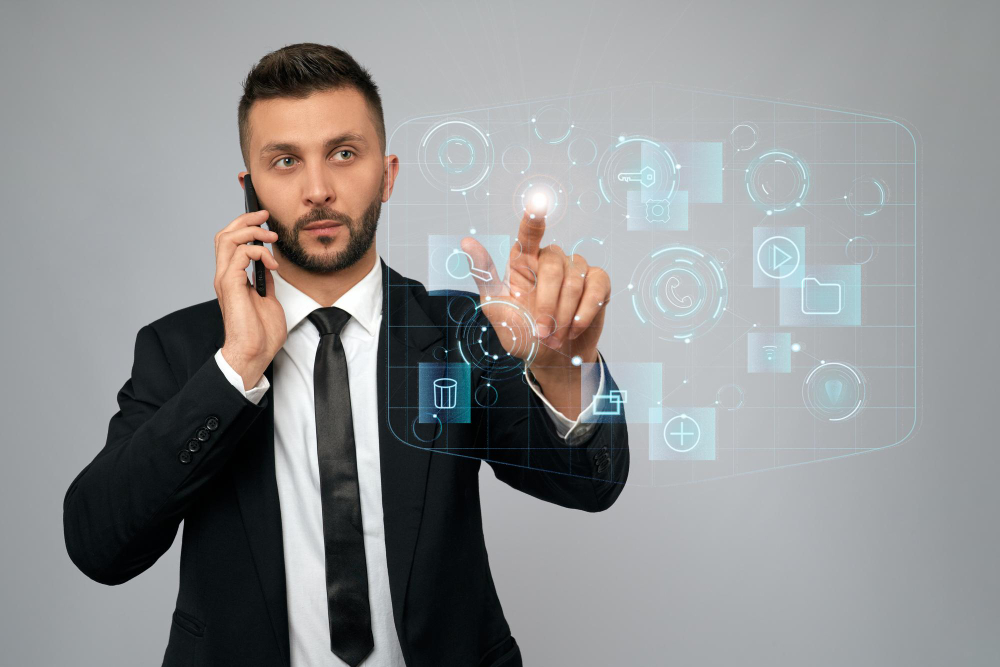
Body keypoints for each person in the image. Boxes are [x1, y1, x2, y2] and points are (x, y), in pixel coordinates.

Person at [63, 42, 629, 667]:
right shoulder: (182, 350)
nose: (317, 190)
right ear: (249, 187)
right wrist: (235, 371)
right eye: (285, 161)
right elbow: (100, 547)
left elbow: (590, 485)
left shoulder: (460, 332)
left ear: (386, 173)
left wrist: (557, 365)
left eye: (343, 153)